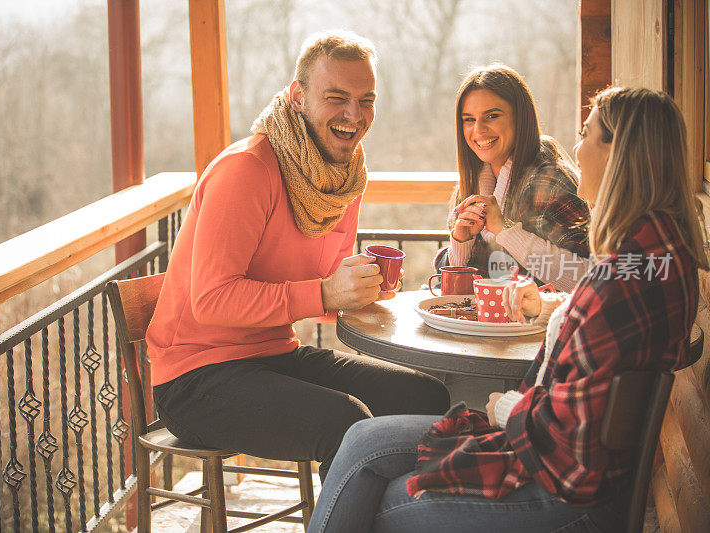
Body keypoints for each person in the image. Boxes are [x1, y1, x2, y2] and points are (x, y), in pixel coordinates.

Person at [307, 86, 708, 532]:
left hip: (562, 487)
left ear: (621, 153)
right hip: (563, 453)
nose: (576, 148)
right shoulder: (656, 253)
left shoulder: (619, 272)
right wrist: (548, 303)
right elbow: (596, 317)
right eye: (469, 119)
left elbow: (569, 441)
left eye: (586, 133)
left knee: (375, 501)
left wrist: (504, 409)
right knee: (363, 437)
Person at [145, 30, 450, 482]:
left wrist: (359, 292)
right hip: (195, 378)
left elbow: (318, 296)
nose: (354, 115)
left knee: (428, 398)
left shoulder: (343, 180)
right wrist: (326, 291)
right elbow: (210, 301)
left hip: (273, 355)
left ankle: (402, 517)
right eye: (336, 98)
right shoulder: (247, 171)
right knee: (345, 421)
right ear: (298, 97)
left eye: (366, 100)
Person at [436, 64, 592, 293]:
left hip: (541, 326)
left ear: (520, 118)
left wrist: (506, 231)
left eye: (492, 116)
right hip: (485, 325)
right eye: (469, 119)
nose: (478, 129)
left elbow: (588, 278)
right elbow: (452, 294)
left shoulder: (550, 181)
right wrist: (460, 243)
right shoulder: (470, 186)